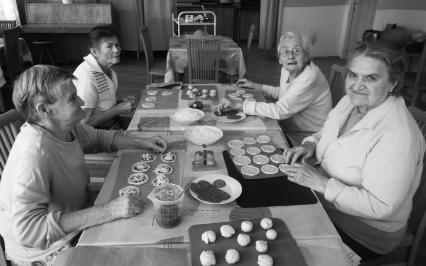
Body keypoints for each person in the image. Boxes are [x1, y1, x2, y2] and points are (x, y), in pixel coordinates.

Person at [0, 65, 167, 265]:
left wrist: (143, 142)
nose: (81, 101)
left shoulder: (64, 126)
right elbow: (29, 232)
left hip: (79, 208)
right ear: (43, 109)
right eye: (72, 98)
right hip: (45, 250)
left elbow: (98, 138)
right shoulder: (33, 154)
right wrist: (109, 211)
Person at [282, 42, 425, 260]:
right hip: (329, 200)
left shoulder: (397, 135)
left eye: (371, 78)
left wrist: (320, 183)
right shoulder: (351, 102)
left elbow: (381, 206)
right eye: (352, 75)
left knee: (283, 238)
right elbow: (325, 131)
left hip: (366, 230)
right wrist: (310, 143)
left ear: (392, 84)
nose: (357, 85)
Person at [219, 32, 332, 146]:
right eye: (285, 51)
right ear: (280, 59)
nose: (291, 56)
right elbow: (285, 94)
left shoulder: (309, 77)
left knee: (245, 139)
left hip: (307, 138)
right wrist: (258, 87)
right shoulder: (287, 68)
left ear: (306, 56)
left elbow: (280, 110)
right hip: (287, 127)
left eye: (296, 50)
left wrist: (240, 105)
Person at [73, 25, 133, 129]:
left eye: (117, 45)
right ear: (94, 52)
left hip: (112, 122)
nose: (116, 50)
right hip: (97, 133)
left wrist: (121, 103)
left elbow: (102, 105)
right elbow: (85, 123)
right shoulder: (87, 76)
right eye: (109, 46)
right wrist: (118, 109)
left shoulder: (108, 69)